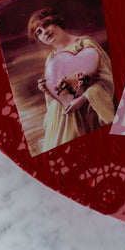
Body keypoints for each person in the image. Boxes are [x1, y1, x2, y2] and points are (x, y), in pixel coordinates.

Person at [28, 8, 115, 152]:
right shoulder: (51, 60)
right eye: (39, 32)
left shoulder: (85, 45)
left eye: (46, 25)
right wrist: (47, 91)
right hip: (63, 117)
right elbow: (57, 98)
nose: (45, 32)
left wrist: (82, 99)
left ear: (57, 22)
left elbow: (106, 79)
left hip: (89, 110)